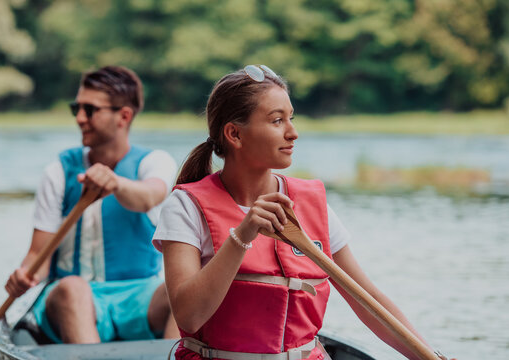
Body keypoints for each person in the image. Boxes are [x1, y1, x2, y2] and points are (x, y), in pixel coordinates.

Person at [153, 65, 454, 359]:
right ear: (234, 134)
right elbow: (189, 317)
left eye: (291, 118)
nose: (293, 133)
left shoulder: (313, 204)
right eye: (276, 121)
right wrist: (242, 236)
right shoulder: (185, 206)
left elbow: (368, 301)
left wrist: (426, 354)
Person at [5, 65, 179, 343]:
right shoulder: (59, 172)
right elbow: (38, 257)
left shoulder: (155, 163)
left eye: (90, 110)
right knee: (73, 288)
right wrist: (25, 276)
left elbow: (150, 195)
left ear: (123, 116)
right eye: (77, 109)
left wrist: (117, 183)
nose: (80, 119)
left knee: (182, 288)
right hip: (69, 300)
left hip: (138, 298)